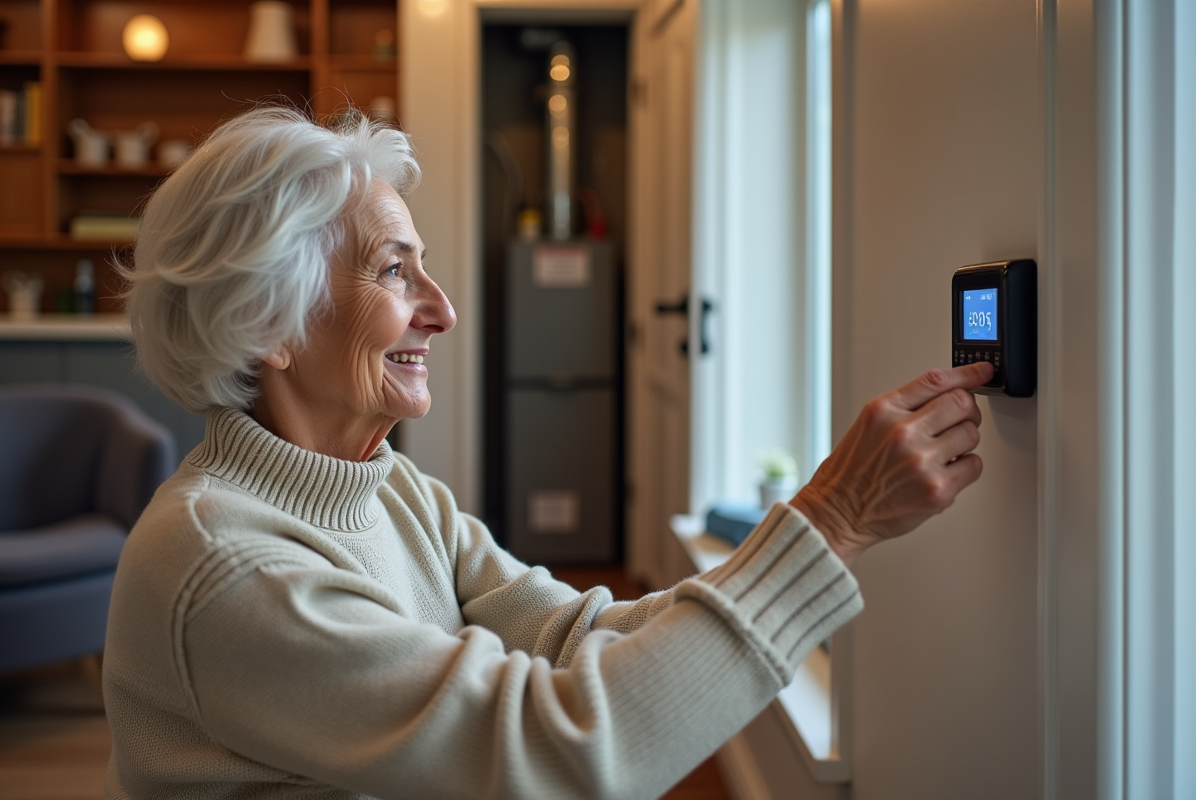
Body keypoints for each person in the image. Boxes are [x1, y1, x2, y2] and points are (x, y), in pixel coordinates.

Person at [103, 106, 994, 800]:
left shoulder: (392, 491)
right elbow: (558, 761)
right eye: (392, 270)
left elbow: (575, 638)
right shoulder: (224, 566)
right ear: (270, 323)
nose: (443, 310)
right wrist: (830, 522)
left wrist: (811, 523)